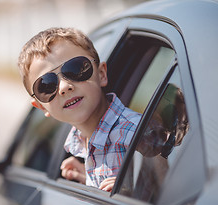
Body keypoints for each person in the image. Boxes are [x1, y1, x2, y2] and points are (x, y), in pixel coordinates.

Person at [17, 27, 141, 191]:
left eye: (75, 69)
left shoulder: (136, 134)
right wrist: (90, 180)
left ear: (102, 74)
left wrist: (134, 192)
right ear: (41, 107)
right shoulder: (81, 145)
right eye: (46, 85)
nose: (65, 87)